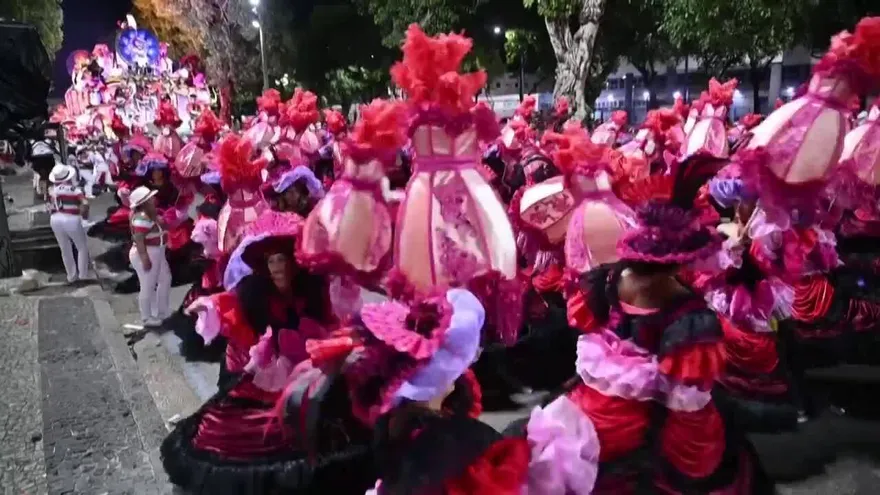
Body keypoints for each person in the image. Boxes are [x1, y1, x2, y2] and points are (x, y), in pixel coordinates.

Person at [162, 211, 343, 494]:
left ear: (294, 262)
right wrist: (209, 306)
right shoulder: (253, 291)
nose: (277, 267)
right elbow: (230, 302)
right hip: (262, 367)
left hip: (303, 368)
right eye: (271, 261)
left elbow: (329, 323)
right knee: (242, 428)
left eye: (281, 259)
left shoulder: (312, 290)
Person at [128, 186, 171, 327]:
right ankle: (146, 317)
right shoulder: (142, 218)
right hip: (149, 252)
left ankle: (161, 311)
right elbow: (139, 239)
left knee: (165, 279)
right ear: (145, 202)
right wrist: (144, 258)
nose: (154, 199)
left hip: (157, 252)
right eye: (150, 198)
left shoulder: (148, 214)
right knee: (148, 285)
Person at [48, 164, 91, 283]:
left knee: (64, 248)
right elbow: (85, 204)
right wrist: (85, 218)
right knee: (81, 247)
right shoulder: (75, 190)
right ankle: (83, 275)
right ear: (68, 177)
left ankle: (71, 276)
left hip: (55, 219)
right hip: (71, 218)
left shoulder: (51, 191)